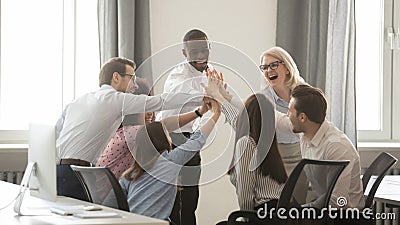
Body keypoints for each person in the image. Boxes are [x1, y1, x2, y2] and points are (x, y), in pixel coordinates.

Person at [56, 57, 202, 201]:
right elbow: (161, 102)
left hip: (60, 171)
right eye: (132, 78)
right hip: (77, 175)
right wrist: (203, 97)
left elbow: (56, 135)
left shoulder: (77, 101)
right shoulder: (115, 99)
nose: (135, 85)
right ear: (116, 77)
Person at [120, 97, 221, 222]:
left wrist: (201, 111)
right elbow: (197, 140)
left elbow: (115, 203)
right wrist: (216, 114)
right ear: (163, 140)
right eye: (168, 134)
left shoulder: (130, 174)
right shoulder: (170, 161)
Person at [275, 84, 364, 209]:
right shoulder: (307, 131)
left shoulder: (336, 147)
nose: (287, 114)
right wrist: (247, 105)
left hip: (343, 217)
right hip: (324, 211)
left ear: (302, 117)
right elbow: (278, 119)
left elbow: (337, 201)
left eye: (290, 110)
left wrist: (302, 211)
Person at [155, 28, 211, 225]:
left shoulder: (206, 73)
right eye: (194, 51)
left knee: (190, 201)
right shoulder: (178, 75)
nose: (201, 55)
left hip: (190, 139)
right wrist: (208, 93)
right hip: (171, 141)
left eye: (204, 49)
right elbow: (181, 94)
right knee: (175, 203)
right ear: (184, 53)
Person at [96, 77, 154, 179]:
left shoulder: (117, 133)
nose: (150, 113)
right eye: (145, 108)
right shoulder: (133, 132)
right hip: (112, 193)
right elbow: (163, 127)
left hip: (104, 192)